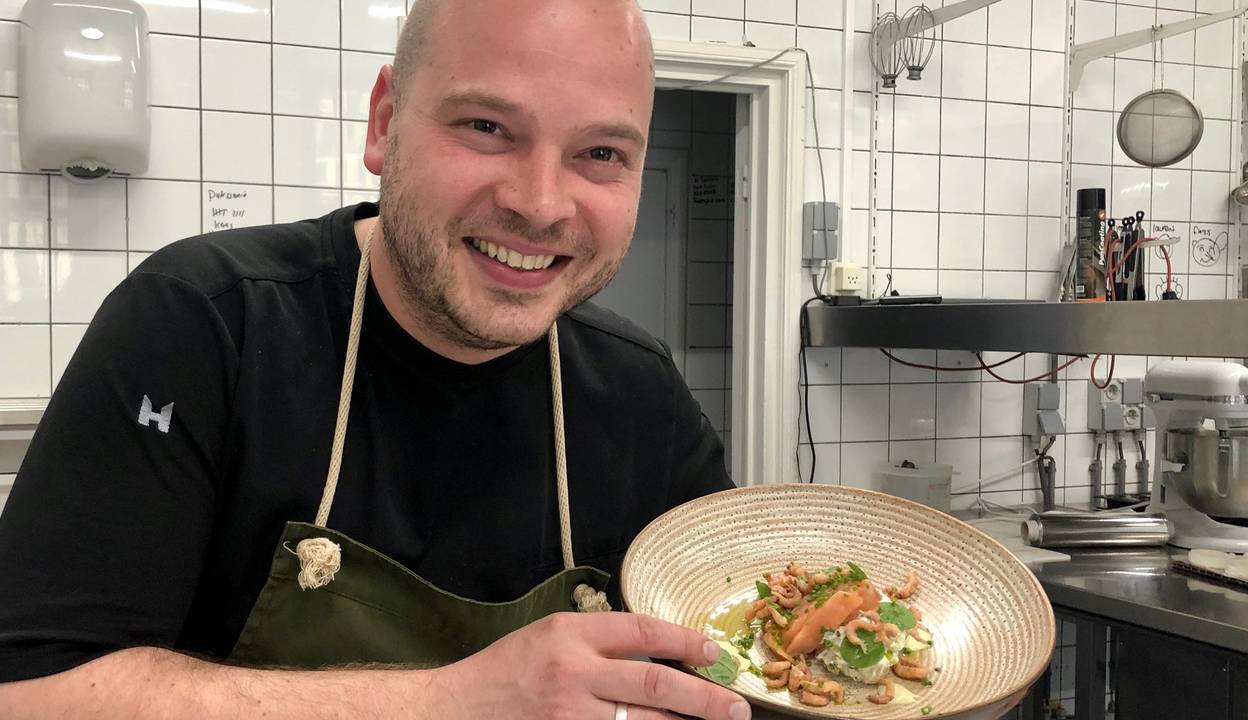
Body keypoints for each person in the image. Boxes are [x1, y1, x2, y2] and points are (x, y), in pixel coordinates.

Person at [0, 1, 751, 718]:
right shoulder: (205, 323)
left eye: (600, 154)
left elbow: (738, 661)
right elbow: (29, 693)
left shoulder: (640, 396)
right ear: (385, 123)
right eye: (488, 127)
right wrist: (453, 705)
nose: (542, 204)